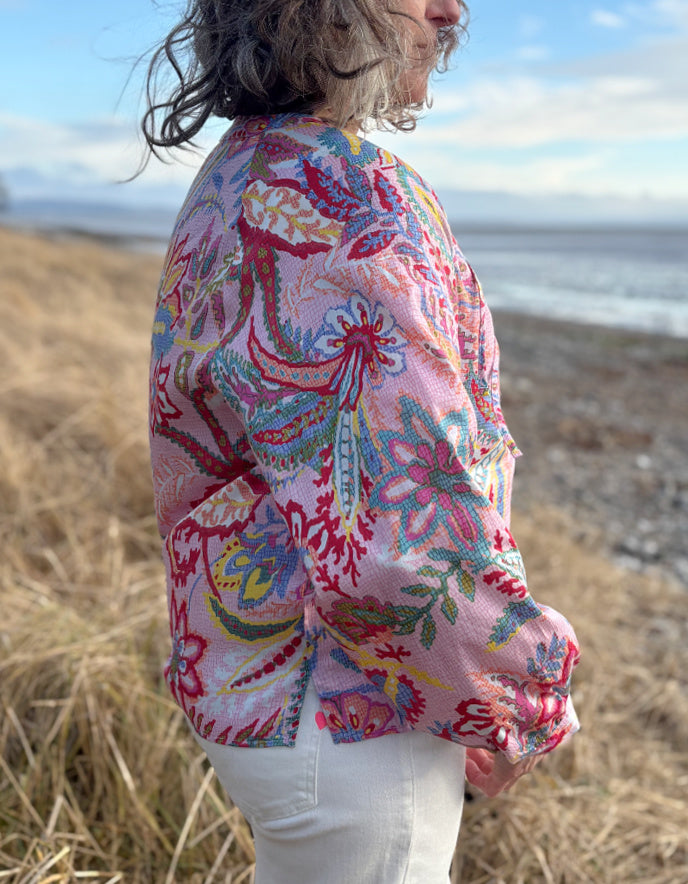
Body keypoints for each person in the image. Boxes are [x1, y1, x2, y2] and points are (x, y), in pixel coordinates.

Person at [143, 1, 581, 881]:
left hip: (262, 688)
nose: (451, 9)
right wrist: (520, 700)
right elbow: (402, 544)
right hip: (358, 718)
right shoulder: (345, 194)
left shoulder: (243, 169)